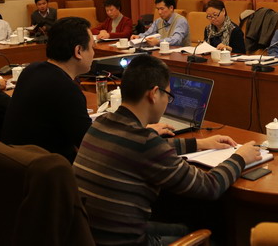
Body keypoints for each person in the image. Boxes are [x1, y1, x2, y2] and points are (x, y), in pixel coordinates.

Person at [74, 55, 260, 245]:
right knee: (212, 232)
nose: (167, 103)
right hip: (125, 241)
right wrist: (240, 157)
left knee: (185, 225)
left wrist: (199, 144)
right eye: (168, 96)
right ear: (154, 94)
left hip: (90, 235)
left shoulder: (102, 123)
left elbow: (149, 149)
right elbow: (209, 186)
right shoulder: (145, 142)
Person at [1, 17, 95, 162]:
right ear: (78, 51)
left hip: (16, 164)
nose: (93, 53)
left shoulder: (31, 70)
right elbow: (90, 145)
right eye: (92, 47)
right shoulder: (66, 89)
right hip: (47, 169)